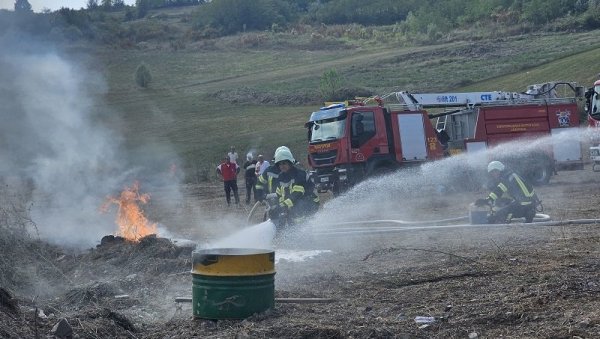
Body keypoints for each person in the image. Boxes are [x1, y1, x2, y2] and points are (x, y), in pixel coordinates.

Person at [255, 146, 319, 226]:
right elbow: (280, 193)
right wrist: (275, 206)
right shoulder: (282, 176)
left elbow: (296, 194)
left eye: (284, 163)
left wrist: (282, 206)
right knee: (288, 214)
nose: (282, 166)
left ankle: (303, 233)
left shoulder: (299, 174)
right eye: (280, 164)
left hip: (309, 201)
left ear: (290, 162)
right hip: (296, 202)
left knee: (297, 213)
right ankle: (294, 232)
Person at [475, 160, 539, 223]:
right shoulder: (510, 175)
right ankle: (528, 213)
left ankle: (526, 213)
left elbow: (499, 191)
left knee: (495, 217)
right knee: (500, 202)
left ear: (499, 169)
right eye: (492, 173)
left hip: (524, 205)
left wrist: (487, 200)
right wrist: (489, 200)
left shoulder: (507, 178)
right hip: (530, 203)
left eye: (494, 171)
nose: (493, 174)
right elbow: (499, 191)